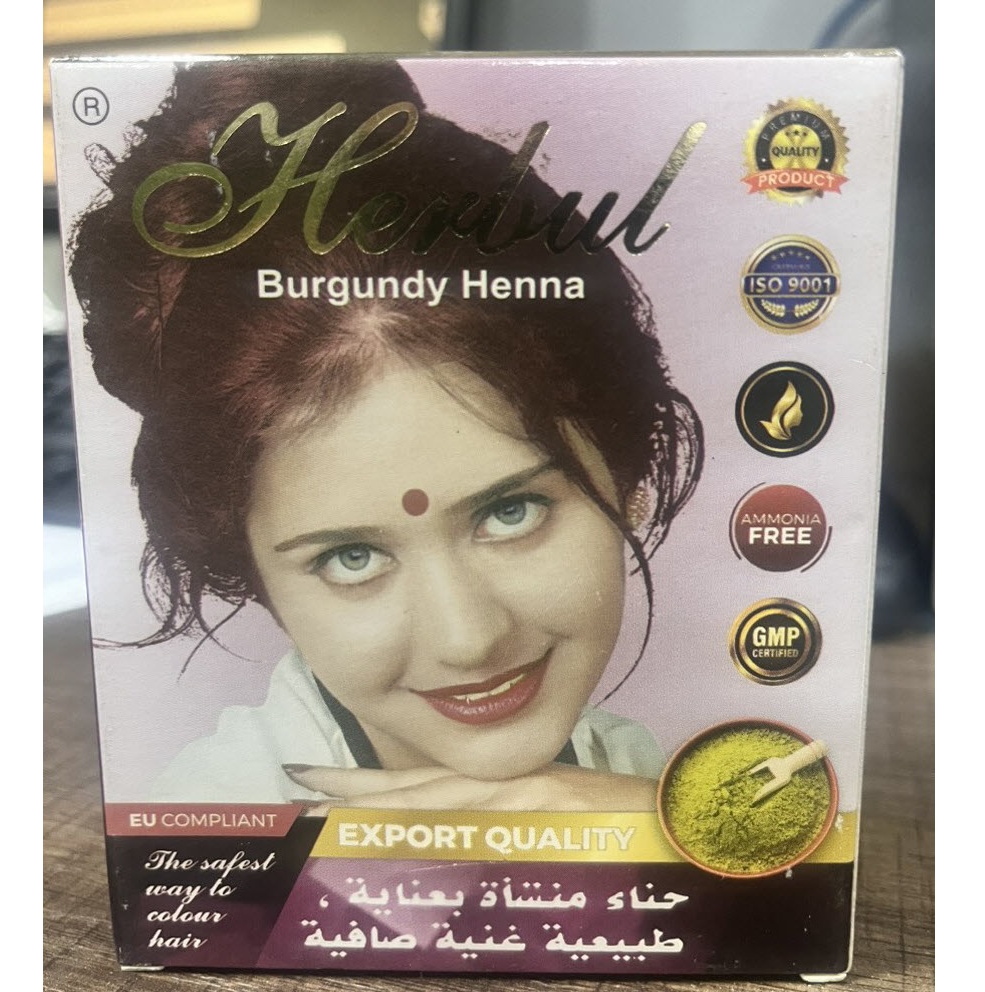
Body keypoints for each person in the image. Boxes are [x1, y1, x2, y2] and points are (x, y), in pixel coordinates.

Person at [70, 59, 702, 811]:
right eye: (352, 557)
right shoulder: (213, 821)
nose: (467, 639)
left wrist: (655, 828)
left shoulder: (635, 776)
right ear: (254, 575)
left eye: (511, 512)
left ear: (626, 478)